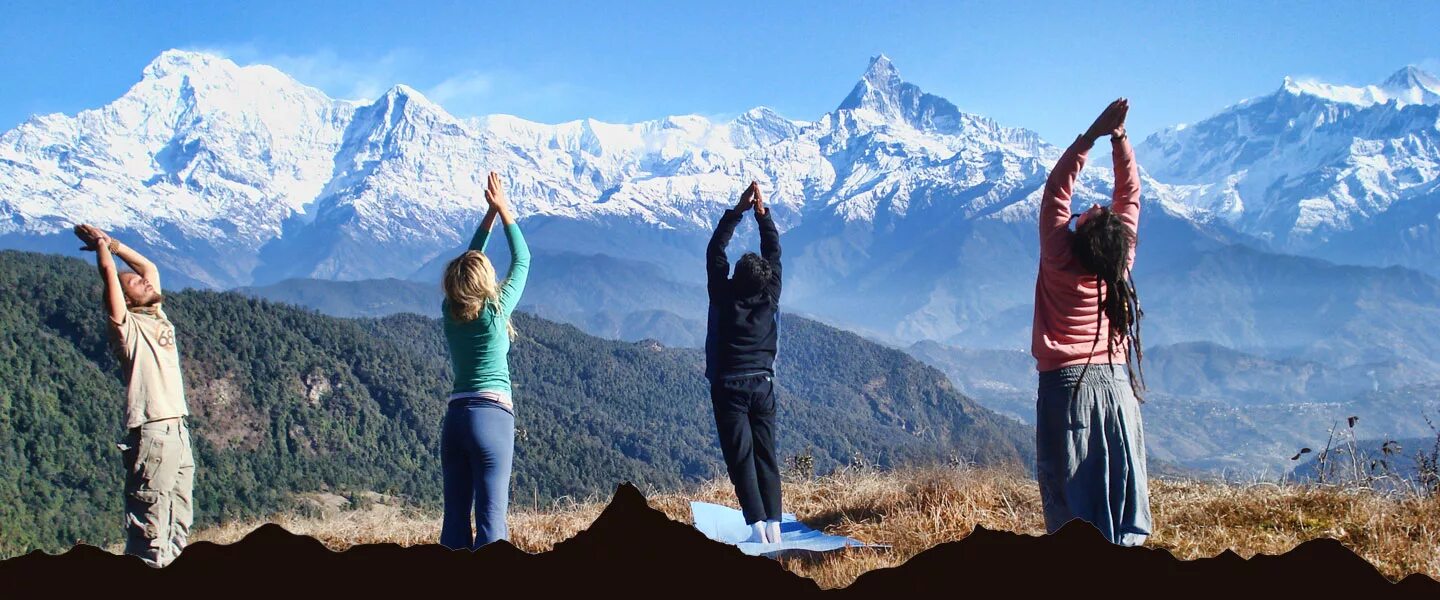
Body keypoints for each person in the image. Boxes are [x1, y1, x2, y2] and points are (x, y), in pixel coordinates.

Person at [1032, 98, 1152, 546]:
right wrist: (1119, 139)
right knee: (1123, 499)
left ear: (1078, 231)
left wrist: (1091, 136)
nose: (1097, 202)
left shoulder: (1059, 257)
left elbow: (1057, 190)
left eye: (1093, 211)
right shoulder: (1119, 265)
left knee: (1073, 515)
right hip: (1118, 389)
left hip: (1067, 390)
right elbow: (1131, 196)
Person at [74, 224, 195, 567]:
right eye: (134, 284)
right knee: (150, 521)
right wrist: (101, 250)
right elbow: (109, 276)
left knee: (179, 512)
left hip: (177, 430)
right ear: (125, 299)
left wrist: (114, 244)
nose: (142, 281)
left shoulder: (155, 314)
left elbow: (150, 268)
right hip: (153, 431)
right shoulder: (127, 329)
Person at [439, 171, 530, 550]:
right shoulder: (495, 312)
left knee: (455, 522)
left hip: (455, 419)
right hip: (492, 418)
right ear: (485, 281)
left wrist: (488, 217)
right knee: (492, 522)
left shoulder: (450, 309)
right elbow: (522, 259)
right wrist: (503, 210)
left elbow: (468, 260)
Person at [705, 181, 784, 544]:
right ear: (765, 278)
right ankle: (776, 526)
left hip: (729, 386)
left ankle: (755, 527)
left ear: (735, 276)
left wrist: (738, 211)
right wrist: (762, 217)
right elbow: (775, 251)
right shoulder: (770, 295)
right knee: (766, 454)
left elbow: (715, 250)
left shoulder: (723, 294)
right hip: (763, 385)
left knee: (742, 458)